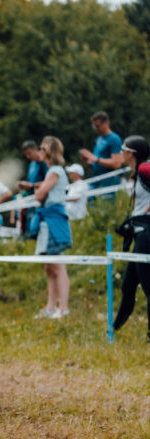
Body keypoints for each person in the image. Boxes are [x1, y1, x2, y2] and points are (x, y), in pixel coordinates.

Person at [113, 135, 150, 341]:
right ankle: (113, 330)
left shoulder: (145, 167)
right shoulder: (138, 173)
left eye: (123, 149)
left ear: (131, 153)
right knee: (128, 285)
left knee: (148, 287)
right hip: (139, 232)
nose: (121, 153)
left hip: (146, 232)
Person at [31, 136, 72, 319]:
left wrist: (37, 192)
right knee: (49, 267)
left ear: (47, 151)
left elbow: (40, 195)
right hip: (47, 220)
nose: (39, 151)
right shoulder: (53, 172)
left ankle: (63, 308)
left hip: (53, 221)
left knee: (57, 266)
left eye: (41, 148)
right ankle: (50, 307)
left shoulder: (55, 171)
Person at [79, 111, 123, 195]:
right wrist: (86, 160)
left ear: (106, 123)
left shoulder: (114, 139)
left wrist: (96, 159)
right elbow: (95, 164)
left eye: (98, 126)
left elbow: (117, 164)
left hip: (109, 185)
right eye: (94, 126)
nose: (96, 129)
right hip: (96, 183)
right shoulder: (99, 139)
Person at [17, 140, 48, 236]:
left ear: (36, 149)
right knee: (29, 230)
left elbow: (49, 182)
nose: (28, 157)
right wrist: (24, 186)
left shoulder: (44, 163)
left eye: (29, 153)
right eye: (26, 155)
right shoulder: (31, 165)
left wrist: (32, 185)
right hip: (32, 200)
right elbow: (31, 183)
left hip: (43, 202)